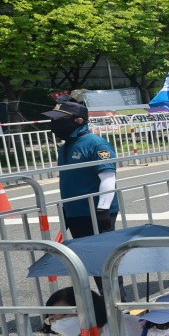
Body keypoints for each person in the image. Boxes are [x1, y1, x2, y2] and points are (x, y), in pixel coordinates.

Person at [43, 101, 118, 239]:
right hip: (74, 211)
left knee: (101, 254)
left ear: (78, 120)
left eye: (59, 119)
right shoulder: (65, 146)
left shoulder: (96, 144)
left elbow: (108, 177)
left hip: (95, 211)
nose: (55, 122)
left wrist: (103, 209)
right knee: (83, 254)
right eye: (53, 119)